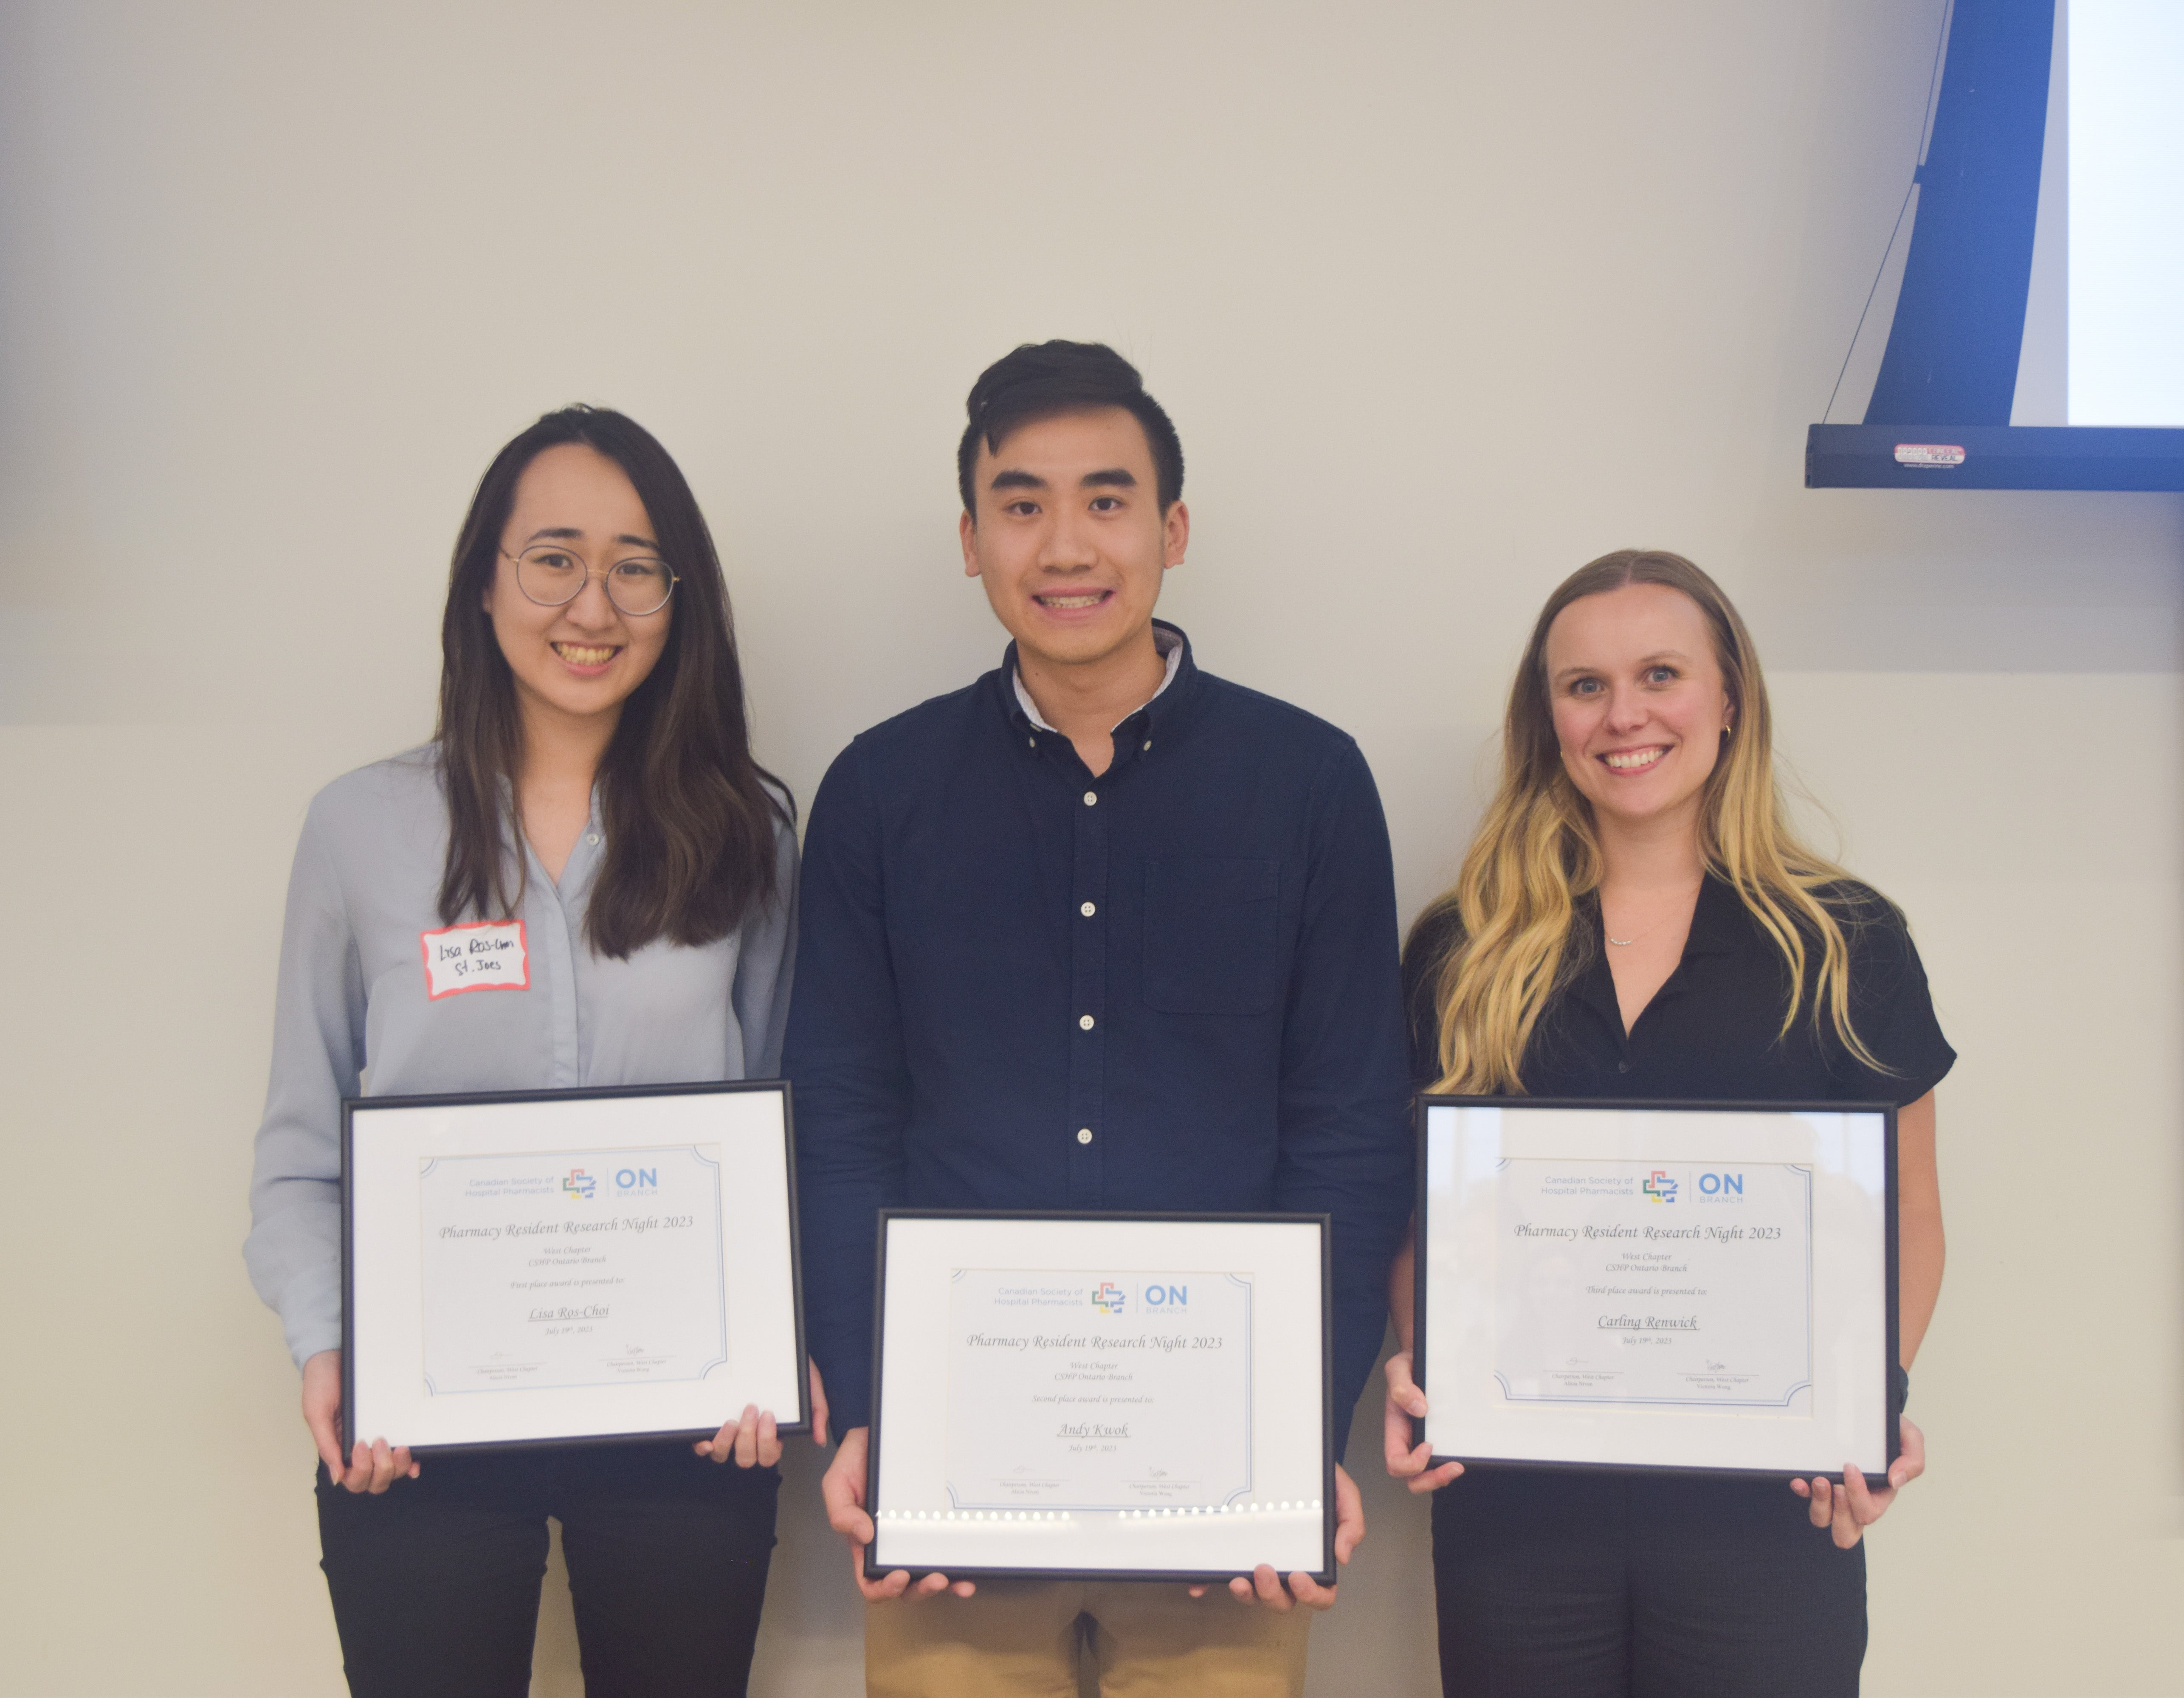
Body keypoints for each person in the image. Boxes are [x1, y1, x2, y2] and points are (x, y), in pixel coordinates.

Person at [787, 340, 1413, 1696]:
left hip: (1220, 1497)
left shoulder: (1308, 785)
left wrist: (1299, 1429)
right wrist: (874, 1407)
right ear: (970, 540)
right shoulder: (879, 793)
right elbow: (840, 1118)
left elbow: (1351, 1128)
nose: (1064, 544)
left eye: (1107, 499)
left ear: (1173, 530)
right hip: (955, 1489)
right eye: (1020, 504)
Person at [243, 406, 802, 1698]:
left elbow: (782, 1121)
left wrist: (771, 1346)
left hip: (689, 1429)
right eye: (553, 557)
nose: (591, 605)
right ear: (485, 581)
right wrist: (335, 1346)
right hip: (417, 1426)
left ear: (681, 599)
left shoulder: (750, 833)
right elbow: (296, 1143)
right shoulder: (362, 830)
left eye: (635, 565)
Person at [1381, 549, 1951, 1698]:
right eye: (1584, 686)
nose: (1623, 715)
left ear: (1729, 699)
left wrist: (1866, 1403)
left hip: (1767, 1510)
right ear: (1547, 719)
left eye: (1660, 675)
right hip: (1518, 1505)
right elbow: (1419, 1218)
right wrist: (1414, 1363)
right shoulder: (1464, 947)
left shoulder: (1847, 942)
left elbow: (1914, 1221)